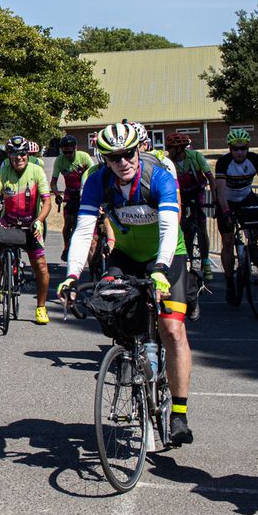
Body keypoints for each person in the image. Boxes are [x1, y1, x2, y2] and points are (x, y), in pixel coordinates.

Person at [58, 121, 194, 446]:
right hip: (126, 255)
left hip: (167, 256)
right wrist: (72, 275)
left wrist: (160, 269)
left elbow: (168, 228)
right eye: (115, 157)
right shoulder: (97, 181)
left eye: (129, 153)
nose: (124, 162)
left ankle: (178, 412)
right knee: (110, 306)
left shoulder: (157, 175)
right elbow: (83, 229)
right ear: (104, 159)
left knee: (172, 330)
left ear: (139, 149)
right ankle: (128, 357)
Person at [0, 136, 53, 324]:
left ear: (27, 154)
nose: (19, 158)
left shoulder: (37, 171)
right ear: (9, 155)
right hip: (8, 220)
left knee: (41, 266)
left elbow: (47, 201)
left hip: (31, 222)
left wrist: (39, 220)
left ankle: (41, 307)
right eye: (14, 154)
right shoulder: (4, 171)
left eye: (22, 154)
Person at [214, 129, 258, 304]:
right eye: (235, 149)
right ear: (230, 148)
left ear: (248, 148)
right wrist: (226, 211)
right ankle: (230, 282)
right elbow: (220, 190)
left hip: (245, 196)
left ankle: (252, 245)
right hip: (227, 200)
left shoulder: (256, 160)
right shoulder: (223, 162)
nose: (239, 152)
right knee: (228, 241)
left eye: (243, 148)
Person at [166, 133, 215, 281]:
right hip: (180, 194)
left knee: (201, 222)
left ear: (180, 148)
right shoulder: (168, 162)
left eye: (170, 148)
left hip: (196, 191)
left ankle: (205, 261)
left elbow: (210, 178)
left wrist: (215, 200)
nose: (168, 151)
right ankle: (186, 258)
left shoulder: (195, 157)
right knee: (180, 225)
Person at [51, 134, 94, 262]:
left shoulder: (84, 157)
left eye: (70, 152)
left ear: (75, 148)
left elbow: (93, 175)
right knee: (68, 222)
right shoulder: (59, 160)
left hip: (84, 192)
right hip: (70, 193)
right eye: (65, 152)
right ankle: (66, 247)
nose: (67, 155)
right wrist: (57, 195)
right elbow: (53, 182)